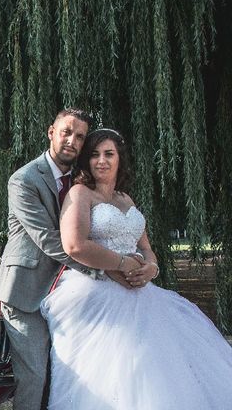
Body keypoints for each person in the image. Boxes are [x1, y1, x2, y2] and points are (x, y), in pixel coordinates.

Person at [41, 128, 232, 409]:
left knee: (158, 364)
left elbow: (145, 247)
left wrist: (151, 268)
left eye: (109, 154)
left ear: (120, 159)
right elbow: (75, 246)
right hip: (97, 290)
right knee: (117, 366)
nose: (101, 161)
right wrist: (121, 264)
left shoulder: (125, 199)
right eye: (94, 155)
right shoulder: (80, 194)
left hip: (143, 293)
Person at [0, 109, 142, 410]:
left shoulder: (82, 181)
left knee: (79, 369)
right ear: (51, 133)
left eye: (80, 136)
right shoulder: (24, 180)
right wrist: (104, 269)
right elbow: (49, 240)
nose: (72, 141)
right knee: (35, 374)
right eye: (66, 132)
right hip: (28, 290)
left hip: (71, 292)